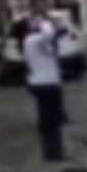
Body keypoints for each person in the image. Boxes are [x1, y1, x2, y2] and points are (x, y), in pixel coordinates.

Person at [24, 11, 68, 162]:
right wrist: (44, 21)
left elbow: (59, 33)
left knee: (54, 119)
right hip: (43, 85)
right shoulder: (31, 40)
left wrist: (59, 23)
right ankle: (52, 152)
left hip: (50, 83)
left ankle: (55, 150)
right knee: (49, 120)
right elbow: (49, 34)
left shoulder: (43, 41)